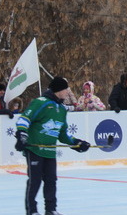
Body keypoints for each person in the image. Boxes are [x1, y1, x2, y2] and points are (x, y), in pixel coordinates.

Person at [15, 76, 90, 215]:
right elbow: (24, 118)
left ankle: (51, 209)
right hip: (35, 149)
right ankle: (32, 211)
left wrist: (77, 143)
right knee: (35, 181)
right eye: (66, 89)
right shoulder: (40, 102)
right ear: (58, 90)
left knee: (51, 181)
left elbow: (63, 134)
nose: (68, 92)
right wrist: (21, 135)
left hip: (50, 151)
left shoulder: (61, 109)